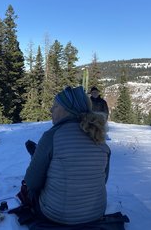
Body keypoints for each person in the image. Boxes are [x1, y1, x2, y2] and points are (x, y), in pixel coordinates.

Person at [23, 86, 111, 225]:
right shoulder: (99, 136)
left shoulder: (52, 136)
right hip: (97, 214)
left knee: (30, 192)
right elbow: (103, 179)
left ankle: (37, 155)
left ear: (68, 110)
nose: (51, 110)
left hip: (57, 217)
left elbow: (32, 183)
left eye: (56, 106)